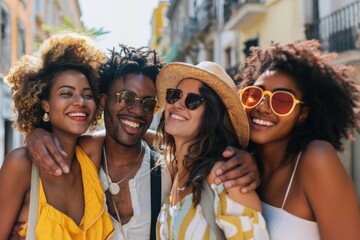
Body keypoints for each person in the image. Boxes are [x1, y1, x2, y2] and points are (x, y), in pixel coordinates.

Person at [25, 46, 261, 239]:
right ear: (104, 101)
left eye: (148, 103)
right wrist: (36, 133)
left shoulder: (171, 168)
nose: (137, 111)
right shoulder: (81, 157)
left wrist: (245, 159)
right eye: (126, 98)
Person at [237, 39, 360, 239]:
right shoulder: (245, 164)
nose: (262, 106)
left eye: (282, 100)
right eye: (255, 94)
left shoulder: (316, 158)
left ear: (302, 114)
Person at [0, 32, 114, 239]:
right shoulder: (21, 164)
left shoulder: (90, 154)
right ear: (45, 103)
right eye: (66, 93)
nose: (80, 101)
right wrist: (34, 133)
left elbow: (134, 135)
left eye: (87, 95)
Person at [154, 61, 269, 239]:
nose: (178, 104)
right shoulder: (174, 174)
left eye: (193, 101)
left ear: (212, 116)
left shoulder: (226, 177)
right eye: (174, 95)